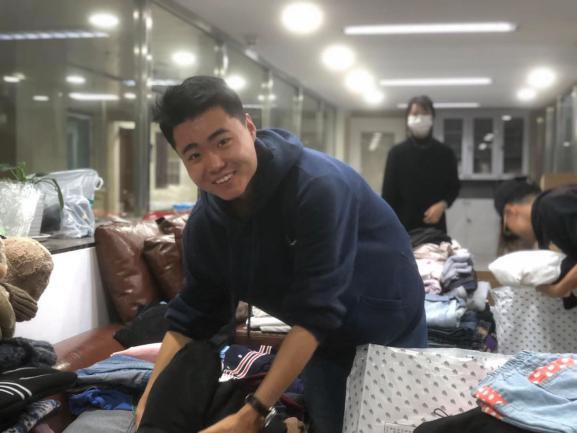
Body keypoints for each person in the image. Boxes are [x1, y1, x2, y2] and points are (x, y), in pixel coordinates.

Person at [135, 76, 427, 433]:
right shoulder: (206, 227)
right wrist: (147, 402)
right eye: (194, 155)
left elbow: (317, 312)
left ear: (249, 127)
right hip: (321, 339)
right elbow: (191, 318)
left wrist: (253, 412)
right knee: (330, 423)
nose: (214, 163)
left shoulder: (317, 188)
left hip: (388, 321)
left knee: (395, 427)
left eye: (223, 141)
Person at [382, 95, 460, 233]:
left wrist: (443, 204)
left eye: (424, 113)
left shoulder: (446, 153)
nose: (419, 118)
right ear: (407, 118)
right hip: (403, 228)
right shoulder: (396, 153)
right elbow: (388, 195)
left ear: (432, 118)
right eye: (415, 113)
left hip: (435, 228)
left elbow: (454, 187)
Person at [494, 178, 577, 302]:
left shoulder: (553, 205)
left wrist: (559, 289)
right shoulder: (545, 224)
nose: (516, 234)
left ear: (511, 212)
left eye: (508, 229)